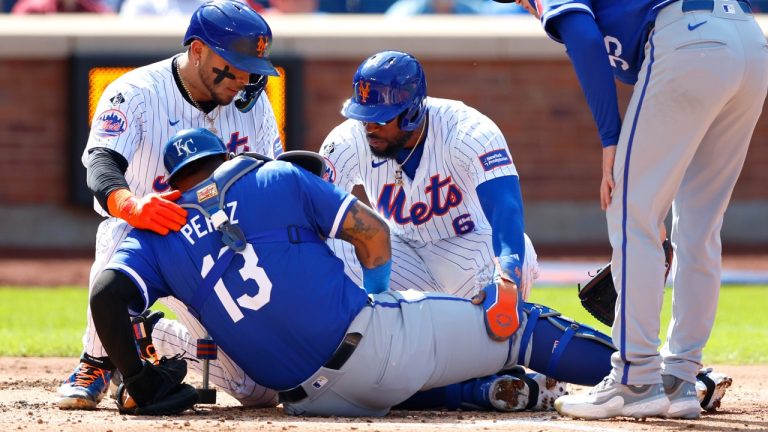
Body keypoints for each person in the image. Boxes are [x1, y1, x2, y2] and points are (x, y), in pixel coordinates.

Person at [90, 127, 621, 417]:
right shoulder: (270, 177)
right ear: (226, 156)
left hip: (304, 402)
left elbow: (108, 291)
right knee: (520, 327)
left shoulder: (155, 230)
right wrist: (380, 300)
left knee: (387, 383)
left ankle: (477, 392)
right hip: (373, 347)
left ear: (173, 179)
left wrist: (138, 378)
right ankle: (649, 375)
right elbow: (373, 233)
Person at [500, 0, 768, 420]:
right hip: (749, 42)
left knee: (629, 208)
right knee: (700, 226)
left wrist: (611, 139)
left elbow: (585, 38)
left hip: (690, 37)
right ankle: (679, 377)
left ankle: (635, 376)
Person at [60, 0, 283, 410]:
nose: (244, 77)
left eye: (251, 67)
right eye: (232, 64)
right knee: (118, 232)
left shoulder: (254, 104)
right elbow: (101, 162)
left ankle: (152, 333)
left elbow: (271, 178)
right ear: (197, 49)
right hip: (149, 232)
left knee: (258, 391)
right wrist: (132, 206)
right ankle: (97, 359)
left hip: (217, 244)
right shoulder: (137, 92)